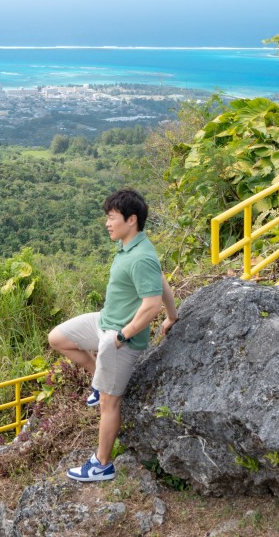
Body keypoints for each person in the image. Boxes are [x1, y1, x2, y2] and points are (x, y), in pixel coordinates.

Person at [48, 188, 178, 482]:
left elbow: (151, 303)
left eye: (112, 217)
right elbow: (160, 282)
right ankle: (98, 380)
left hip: (121, 341)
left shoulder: (141, 257)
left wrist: (122, 336)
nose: (107, 223)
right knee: (58, 337)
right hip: (103, 322)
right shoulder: (131, 248)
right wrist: (173, 316)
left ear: (131, 220)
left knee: (110, 403)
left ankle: (102, 464)